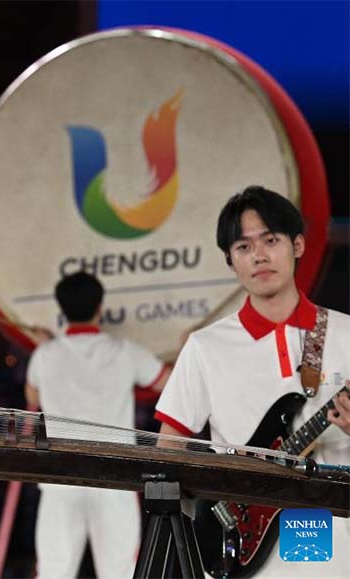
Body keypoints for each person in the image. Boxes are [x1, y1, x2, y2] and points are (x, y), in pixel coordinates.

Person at [155, 185, 350, 577]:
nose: (259, 255)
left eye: (271, 240)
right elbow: (168, 451)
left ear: (297, 245)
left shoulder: (346, 334)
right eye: (243, 247)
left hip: (329, 541)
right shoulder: (205, 347)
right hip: (234, 541)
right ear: (230, 261)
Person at [25, 271, 169, 578]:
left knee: (53, 572)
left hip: (59, 478)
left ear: (61, 311)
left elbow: (31, 395)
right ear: (100, 307)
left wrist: (45, 348)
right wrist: (184, 348)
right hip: (113, 476)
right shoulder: (124, 352)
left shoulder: (45, 355)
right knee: (120, 573)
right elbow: (166, 383)